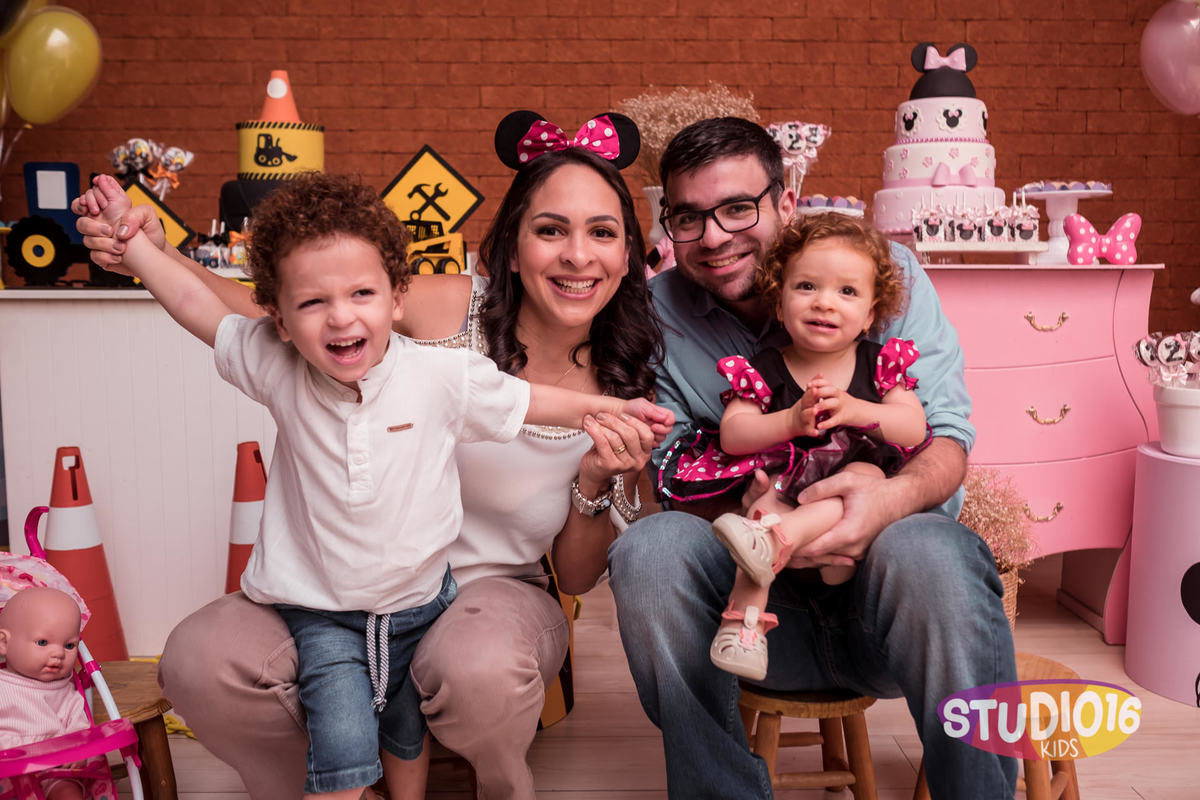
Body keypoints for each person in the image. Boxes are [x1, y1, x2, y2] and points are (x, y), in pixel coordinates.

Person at [72, 111, 665, 800]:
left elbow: (576, 567)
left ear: (629, 253)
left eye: (602, 233)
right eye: (551, 229)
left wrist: (599, 458)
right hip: (336, 593)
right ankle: (325, 781)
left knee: (474, 671)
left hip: (479, 594)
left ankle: (491, 782)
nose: (577, 256)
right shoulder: (434, 312)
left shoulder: (612, 382)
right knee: (201, 660)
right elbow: (267, 311)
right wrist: (152, 252)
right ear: (510, 246)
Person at [607, 117, 1017, 799]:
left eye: (738, 208)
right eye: (688, 217)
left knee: (932, 550)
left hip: (888, 605)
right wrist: (754, 505)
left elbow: (944, 438)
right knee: (648, 550)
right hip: (746, 620)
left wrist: (879, 500)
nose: (714, 237)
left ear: (786, 202)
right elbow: (672, 468)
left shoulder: (883, 274)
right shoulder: (658, 312)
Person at [657, 213, 930, 681]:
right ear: (779, 302)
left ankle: (773, 540)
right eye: (806, 286)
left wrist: (855, 410)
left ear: (870, 314)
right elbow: (733, 435)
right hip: (789, 490)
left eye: (847, 291)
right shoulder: (763, 368)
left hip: (852, 512)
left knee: (862, 478)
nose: (824, 302)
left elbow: (913, 428)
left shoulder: (879, 365)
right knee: (762, 504)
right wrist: (789, 420)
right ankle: (744, 629)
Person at [0, 587, 89, 800]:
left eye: (69, 645)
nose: (58, 653)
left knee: (68, 792)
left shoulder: (66, 691)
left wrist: (79, 751)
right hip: (5, 768)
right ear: (4, 643)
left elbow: (79, 728)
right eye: (42, 642)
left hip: (53, 767)